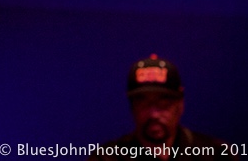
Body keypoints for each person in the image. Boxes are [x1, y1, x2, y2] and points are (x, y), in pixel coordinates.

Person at [88, 54, 238, 160]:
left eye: (163, 104)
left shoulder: (217, 154)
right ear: (132, 108)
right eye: (144, 103)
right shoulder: (107, 157)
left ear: (180, 106)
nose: (154, 113)